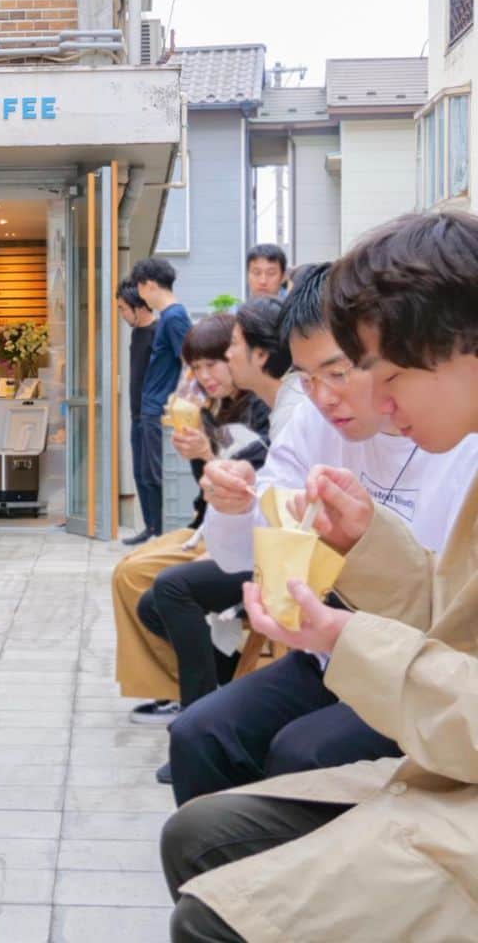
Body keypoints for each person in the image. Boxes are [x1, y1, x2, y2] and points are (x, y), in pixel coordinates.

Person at [163, 209, 478, 943]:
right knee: (197, 809)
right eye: (315, 377)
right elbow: (447, 610)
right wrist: (363, 544)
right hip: (384, 673)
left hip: (423, 718)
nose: (369, 398)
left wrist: (344, 628)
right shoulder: (324, 421)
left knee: (219, 912)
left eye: (375, 372)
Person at [112, 314, 268, 725]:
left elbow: (251, 488)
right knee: (131, 575)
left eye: (212, 364)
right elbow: (214, 489)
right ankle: (183, 688)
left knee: (147, 581)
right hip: (215, 527)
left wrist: (207, 455)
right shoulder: (216, 410)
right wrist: (202, 454)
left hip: (249, 539)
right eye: (196, 367)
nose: (204, 375)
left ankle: (191, 699)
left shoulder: (264, 409)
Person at [126, 257, 192, 545]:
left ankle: (166, 535)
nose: (140, 296)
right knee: (147, 473)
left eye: (140, 289)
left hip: (157, 408)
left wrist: (182, 402)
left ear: (149, 285)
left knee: (157, 474)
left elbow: (190, 362)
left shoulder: (174, 317)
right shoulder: (169, 317)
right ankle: (155, 530)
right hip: (149, 408)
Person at [225, 298, 304, 438]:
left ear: (261, 355)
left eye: (234, 343)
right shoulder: (289, 401)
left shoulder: (294, 414)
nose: (227, 354)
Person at [117, 276, 157, 542]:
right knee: (140, 474)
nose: (121, 314)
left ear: (138, 306)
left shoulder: (158, 332)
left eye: (122, 308)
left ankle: (159, 530)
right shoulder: (137, 333)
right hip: (136, 414)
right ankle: (151, 527)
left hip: (152, 416)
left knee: (153, 474)